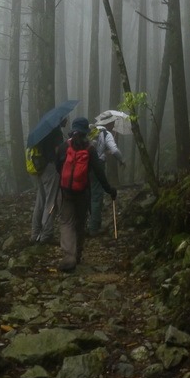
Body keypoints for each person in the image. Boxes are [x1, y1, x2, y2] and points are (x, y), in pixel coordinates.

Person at [55, 117, 117, 272]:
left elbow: (58, 167)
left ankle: (69, 256)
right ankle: (78, 254)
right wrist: (109, 190)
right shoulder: (90, 149)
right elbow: (99, 172)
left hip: (66, 191)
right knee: (80, 223)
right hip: (82, 192)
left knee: (66, 222)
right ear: (86, 132)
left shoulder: (63, 147)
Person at [30, 117, 67, 244]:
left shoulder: (43, 132)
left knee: (40, 201)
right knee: (50, 201)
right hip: (51, 168)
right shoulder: (56, 131)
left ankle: (35, 233)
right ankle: (46, 234)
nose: (67, 120)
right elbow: (58, 151)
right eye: (65, 117)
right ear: (60, 119)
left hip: (40, 168)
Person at [88, 115, 126, 237]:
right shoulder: (106, 134)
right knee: (97, 195)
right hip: (97, 166)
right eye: (113, 123)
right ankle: (94, 228)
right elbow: (114, 150)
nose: (114, 125)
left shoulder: (90, 131)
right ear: (108, 123)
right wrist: (122, 160)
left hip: (83, 166)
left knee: (88, 194)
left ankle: (84, 225)